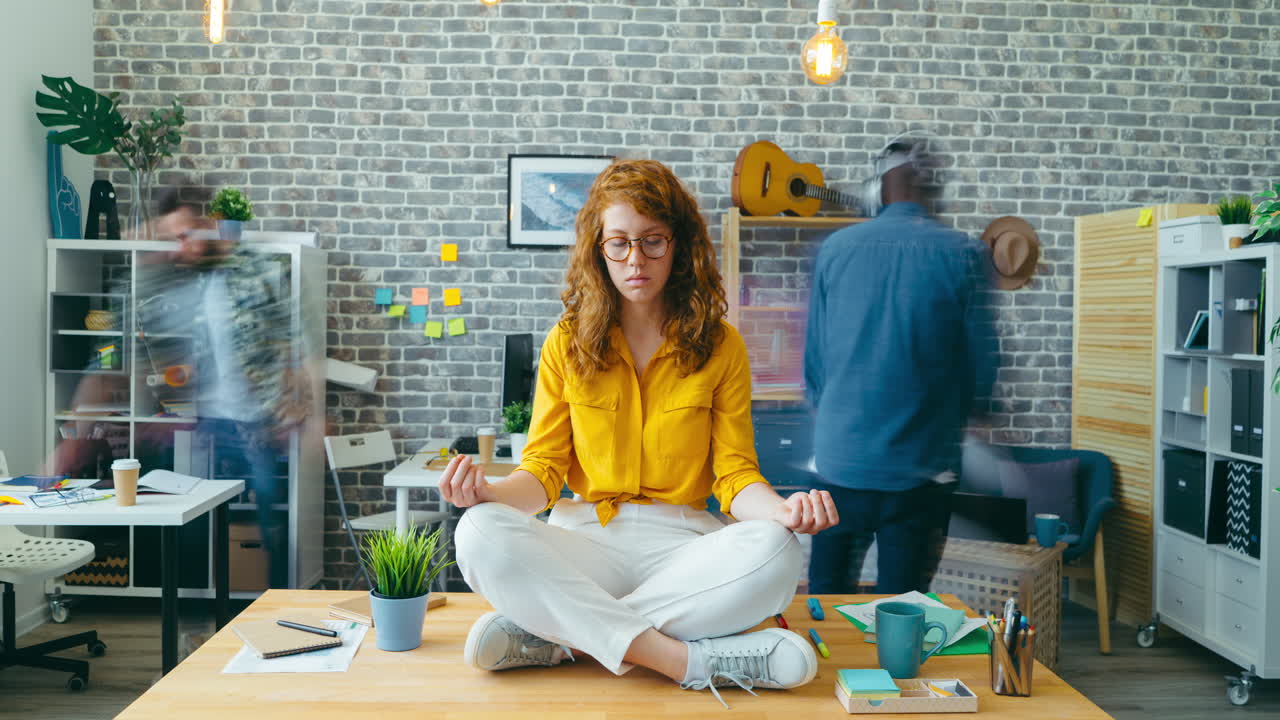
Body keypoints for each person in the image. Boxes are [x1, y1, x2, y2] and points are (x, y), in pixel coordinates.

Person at [439, 159, 839, 707]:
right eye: (619, 243)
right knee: (478, 533)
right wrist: (487, 493)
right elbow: (544, 473)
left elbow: (735, 474)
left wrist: (784, 513)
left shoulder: (721, 345)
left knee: (777, 550)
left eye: (653, 242)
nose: (635, 260)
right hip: (585, 538)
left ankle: (561, 640)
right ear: (597, 248)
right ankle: (689, 661)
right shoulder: (566, 342)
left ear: (680, 245)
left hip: (684, 549)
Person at [804, 134, 996, 595]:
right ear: (934, 190)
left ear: (880, 189)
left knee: (827, 602)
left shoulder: (836, 249)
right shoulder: (964, 254)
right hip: (922, 472)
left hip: (840, 465)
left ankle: (830, 668)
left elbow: (815, 367)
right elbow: (982, 370)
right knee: (905, 607)